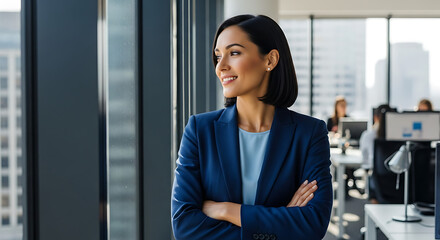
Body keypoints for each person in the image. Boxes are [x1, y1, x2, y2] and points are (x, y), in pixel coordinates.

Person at [171, 15, 332, 240]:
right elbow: (185, 226)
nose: (221, 66)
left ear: (270, 60)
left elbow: (313, 224)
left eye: (234, 53)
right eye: (218, 56)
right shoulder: (200, 130)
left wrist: (226, 210)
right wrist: (283, 218)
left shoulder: (309, 133)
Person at [359, 104, 394, 203]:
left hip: (378, 184)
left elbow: (365, 163)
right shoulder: (399, 136)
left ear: (375, 117)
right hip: (399, 184)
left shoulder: (368, 136)